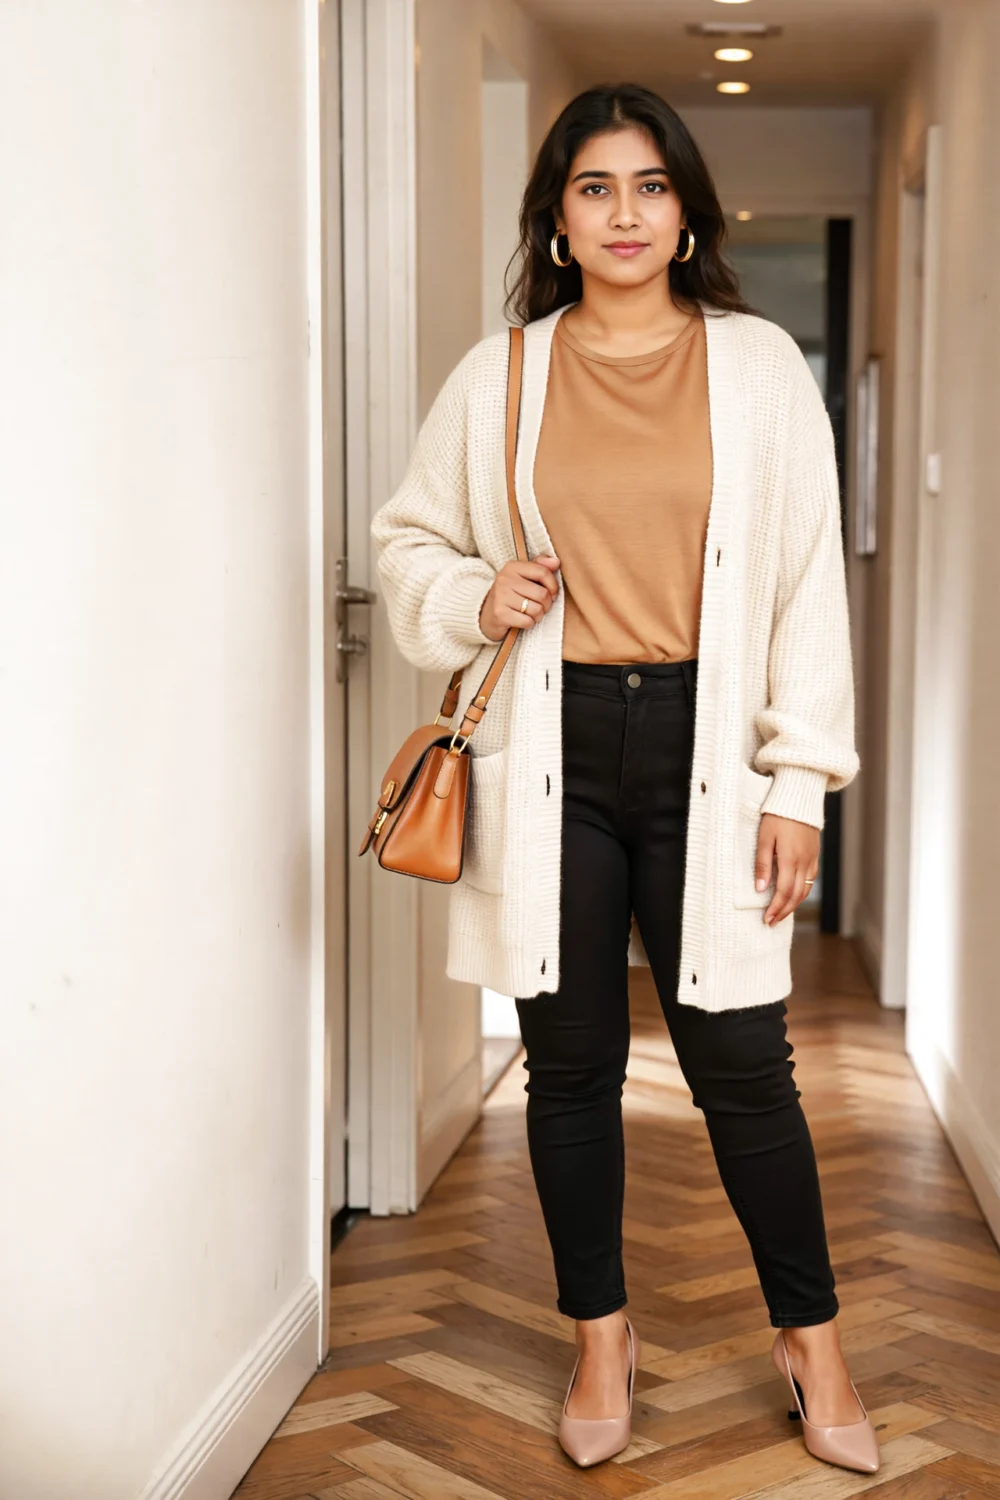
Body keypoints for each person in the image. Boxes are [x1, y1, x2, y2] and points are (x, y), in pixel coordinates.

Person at [370, 83, 877, 1475]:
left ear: (688, 208)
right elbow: (405, 544)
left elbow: (802, 590)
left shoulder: (764, 367)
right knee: (573, 1065)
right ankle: (602, 1334)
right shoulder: (503, 375)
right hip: (557, 753)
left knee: (742, 1063)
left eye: (650, 186)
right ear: (556, 219)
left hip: (712, 752)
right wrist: (478, 595)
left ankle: (810, 1341)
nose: (626, 215)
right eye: (595, 188)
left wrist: (799, 781)